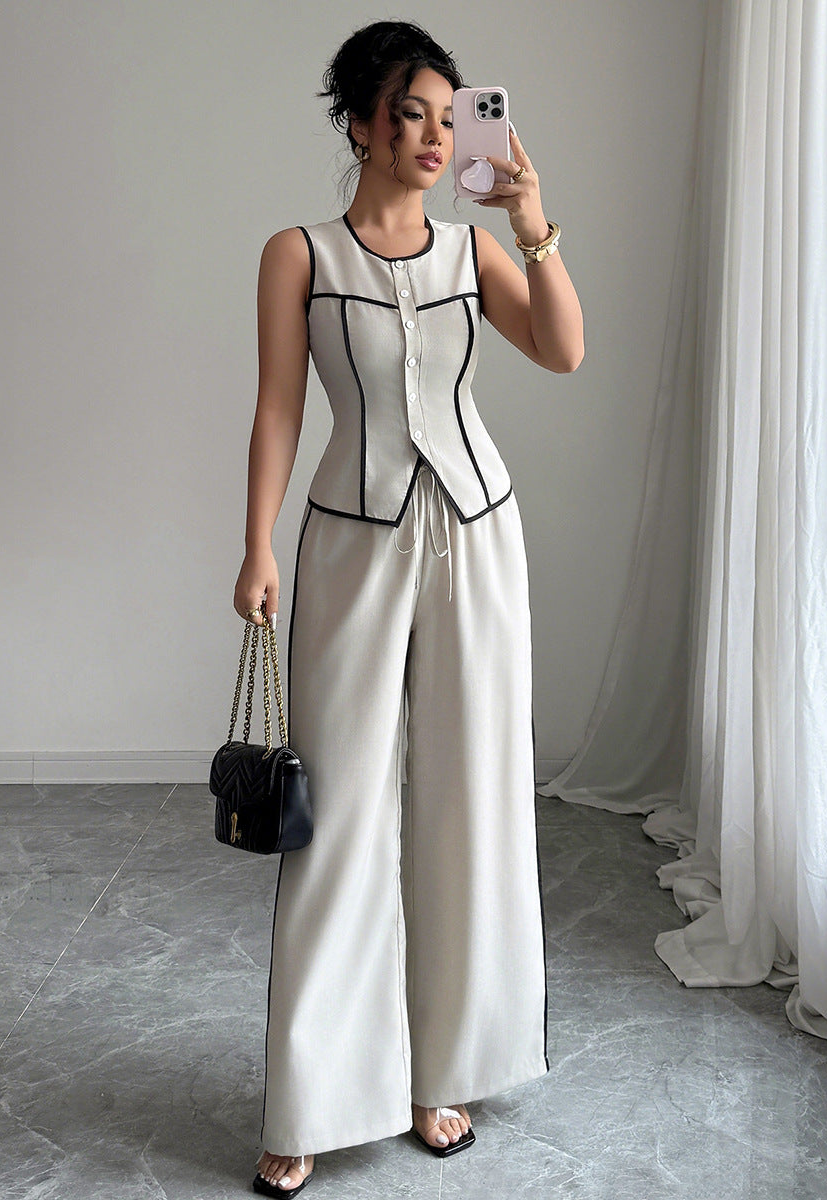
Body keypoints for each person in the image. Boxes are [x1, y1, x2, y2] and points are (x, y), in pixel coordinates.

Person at [232, 19, 583, 1196]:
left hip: (479, 536)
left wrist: (533, 223)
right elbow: (280, 408)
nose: (435, 136)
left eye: (449, 116)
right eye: (410, 114)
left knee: (470, 794)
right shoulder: (298, 254)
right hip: (352, 538)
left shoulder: (475, 251)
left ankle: (445, 1071)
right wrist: (257, 545)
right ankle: (314, 1096)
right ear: (359, 125)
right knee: (339, 812)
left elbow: (564, 351)